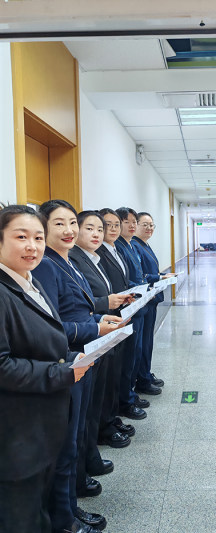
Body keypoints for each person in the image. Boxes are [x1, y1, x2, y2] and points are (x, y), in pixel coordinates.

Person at [0, 205, 91, 533]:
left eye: (38, 238)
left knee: (38, 505)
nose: (32, 246)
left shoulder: (29, 282)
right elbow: (2, 365)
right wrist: (62, 372)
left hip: (42, 416)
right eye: (21, 237)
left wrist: (70, 357)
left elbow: (44, 337)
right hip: (18, 428)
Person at [34, 200, 121, 533]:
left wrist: (99, 319)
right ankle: (64, 518)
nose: (69, 230)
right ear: (43, 228)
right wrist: (95, 327)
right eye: (59, 224)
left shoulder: (67, 261)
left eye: (72, 222)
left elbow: (78, 307)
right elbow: (52, 325)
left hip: (83, 357)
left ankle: (71, 505)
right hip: (66, 359)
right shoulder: (45, 266)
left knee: (77, 433)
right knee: (66, 441)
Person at [69, 211, 132, 492]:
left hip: (99, 331)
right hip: (80, 344)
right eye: (90, 228)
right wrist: (103, 308)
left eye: (99, 229)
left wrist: (102, 313)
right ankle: (82, 467)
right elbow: (72, 308)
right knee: (84, 410)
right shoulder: (65, 261)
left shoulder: (90, 258)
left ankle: (90, 456)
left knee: (96, 401)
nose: (96, 234)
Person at [97, 208, 139, 437]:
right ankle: (108, 421)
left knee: (120, 367)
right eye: (107, 225)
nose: (112, 229)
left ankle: (114, 415)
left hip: (121, 313)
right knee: (110, 373)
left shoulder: (116, 250)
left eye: (115, 225)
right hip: (106, 319)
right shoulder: (96, 253)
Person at [131, 212, 175, 395]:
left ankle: (146, 374)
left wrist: (161, 276)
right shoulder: (134, 246)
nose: (149, 228)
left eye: (151, 225)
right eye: (145, 225)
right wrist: (160, 277)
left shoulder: (144, 245)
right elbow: (140, 275)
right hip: (145, 299)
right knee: (143, 343)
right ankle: (142, 379)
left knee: (147, 341)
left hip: (152, 298)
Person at [115, 207, 151, 414]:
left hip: (139, 304)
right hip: (128, 306)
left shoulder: (129, 245)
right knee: (129, 356)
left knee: (136, 353)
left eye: (133, 222)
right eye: (126, 222)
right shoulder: (119, 246)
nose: (131, 225)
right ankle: (126, 399)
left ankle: (131, 393)